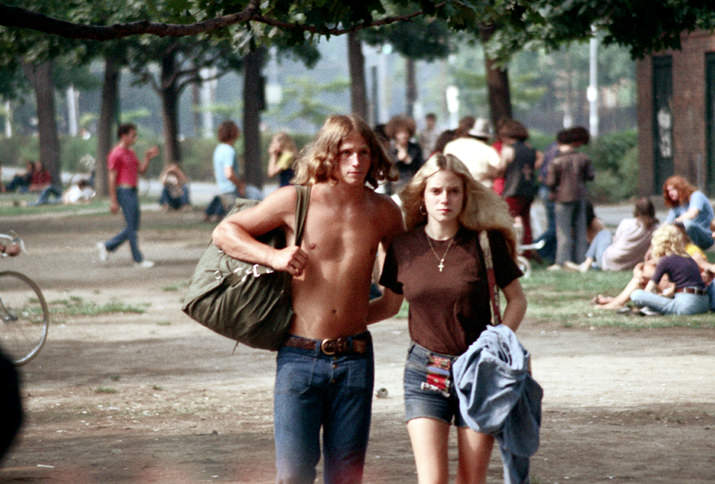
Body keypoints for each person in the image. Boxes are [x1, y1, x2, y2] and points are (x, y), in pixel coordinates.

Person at [212, 114, 404, 484]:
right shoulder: (294, 200)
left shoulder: (384, 212)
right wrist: (274, 256)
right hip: (299, 357)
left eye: (364, 152)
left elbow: (394, 297)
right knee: (294, 475)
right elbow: (225, 231)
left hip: (355, 359)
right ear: (327, 155)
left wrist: (354, 320)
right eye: (345, 152)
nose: (356, 161)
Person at [377, 153, 527, 483]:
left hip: (479, 370)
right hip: (425, 370)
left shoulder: (486, 243)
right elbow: (389, 305)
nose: (445, 199)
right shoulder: (403, 247)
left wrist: (498, 341)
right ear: (422, 195)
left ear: (465, 194)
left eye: (453, 191)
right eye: (436, 191)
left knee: (471, 479)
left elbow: (516, 300)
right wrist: (342, 324)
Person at [96, 123, 159, 269]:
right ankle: (138, 259)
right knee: (131, 227)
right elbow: (112, 178)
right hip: (123, 192)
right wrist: (113, 201)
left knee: (133, 227)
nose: (135, 138)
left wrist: (148, 158)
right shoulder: (116, 154)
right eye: (133, 135)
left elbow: (141, 170)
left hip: (132, 191)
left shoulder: (130, 153)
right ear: (123, 136)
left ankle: (107, 246)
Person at [630, 224, 710, 315]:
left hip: (686, 305)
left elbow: (649, 289)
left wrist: (651, 299)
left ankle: (650, 310)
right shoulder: (688, 258)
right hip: (703, 303)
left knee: (636, 294)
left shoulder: (666, 260)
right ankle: (652, 310)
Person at [545, 126, 594, 270]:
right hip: (580, 197)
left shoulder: (556, 161)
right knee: (581, 230)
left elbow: (550, 182)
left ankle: (562, 261)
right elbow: (590, 176)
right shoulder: (584, 158)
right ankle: (581, 260)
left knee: (563, 231)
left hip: (562, 198)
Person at [566, 197, 659, 272]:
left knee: (604, 233)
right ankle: (592, 265)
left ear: (636, 211)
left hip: (611, 260)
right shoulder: (656, 229)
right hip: (630, 264)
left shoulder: (627, 223)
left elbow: (615, 241)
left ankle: (587, 263)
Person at [498, 119, 538, 247]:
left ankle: (505, 248)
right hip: (528, 190)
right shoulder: (530, 149)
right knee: (526, 222)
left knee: (504, 220)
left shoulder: (509, 150)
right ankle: (527, 250)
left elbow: (500, 169)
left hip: (513, 190)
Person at [204, 120, 249, 222]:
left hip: (223, 190)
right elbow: (229, 174)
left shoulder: (219, 149)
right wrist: (240, 185)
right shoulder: (229, 150)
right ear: (232, 132)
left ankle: (213, 214)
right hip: (231, 191)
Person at [443, 116, 501, 189]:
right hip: (482, 188)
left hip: (457, 188)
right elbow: (499, 168)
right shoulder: (487, 149)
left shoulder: (451, 145)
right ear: (487, 138)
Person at [663, 175, 714, 250]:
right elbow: (666, 224)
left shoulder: (696, 195)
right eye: (668, 191)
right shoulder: (676, 207)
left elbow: (692, 213)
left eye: (673, 189)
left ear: (681, 188)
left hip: (707, 237)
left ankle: (692, 251)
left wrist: (676, 221)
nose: (670, 193)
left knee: (688, 224)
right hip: (689, 239)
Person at [385, 115, 424, 192]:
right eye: (400, 132)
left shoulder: (415, 148)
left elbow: (421, 167)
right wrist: (397, 159)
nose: (404, 135)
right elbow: (387, 169)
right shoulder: (389, 149)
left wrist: (408, 160)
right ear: (394, 133)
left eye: (406, 132)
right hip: (395, 187)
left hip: (413, 186)